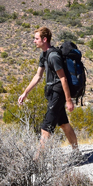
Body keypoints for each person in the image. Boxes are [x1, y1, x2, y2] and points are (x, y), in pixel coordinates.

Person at [18, 26, 80, 157]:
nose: (34, 41)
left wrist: (69, 100)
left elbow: (63, 78)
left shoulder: (53, 56)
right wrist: (25, 93)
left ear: (44, 39)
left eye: (36, 38)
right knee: (64, 124)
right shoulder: (44, 55)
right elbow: (38, 76)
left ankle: (37, 161)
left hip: (58, 93)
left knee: (45, 127)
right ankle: (76, 152)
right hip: (52, 93)